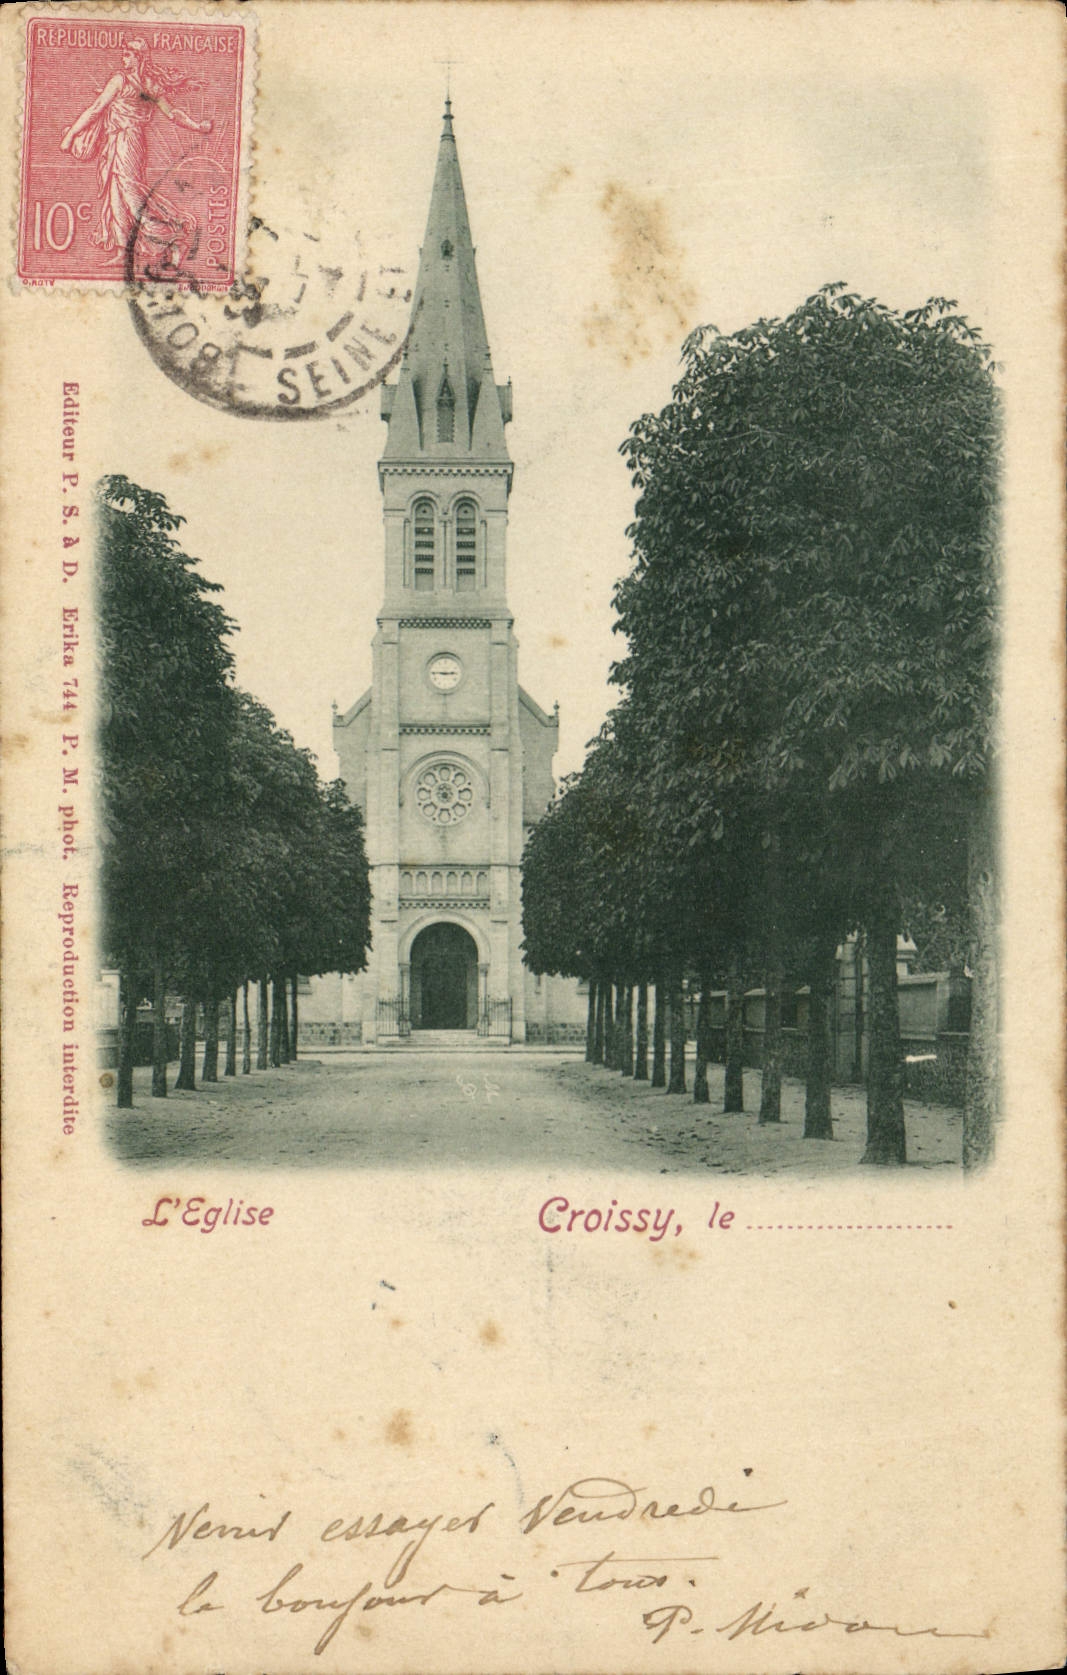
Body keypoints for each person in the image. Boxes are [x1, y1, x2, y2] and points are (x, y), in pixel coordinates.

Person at [59, 38, 212, 268]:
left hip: (128, 141)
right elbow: (172, 114)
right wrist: (198, 126)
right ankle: (123, 251)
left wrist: (71, 135)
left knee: (132, 196)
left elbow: (96, 108)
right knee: (116, 196)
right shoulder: (143, 83)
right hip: (118, 141)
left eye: (128, 55)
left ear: (138, 57)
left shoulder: (124, 81)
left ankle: (174, 236)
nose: (124, 58)